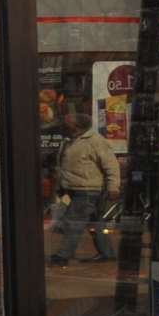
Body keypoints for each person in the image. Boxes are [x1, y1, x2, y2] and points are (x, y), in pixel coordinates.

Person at [50, 108, 120, 266]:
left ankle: (63, 255)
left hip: (87, 189)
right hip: (74, 188)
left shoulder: (95, 141)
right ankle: (107, 253)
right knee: (96, 223)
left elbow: (111, 166)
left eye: (67, 123)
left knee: (74, 222)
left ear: (76, 126)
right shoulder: (69, 140)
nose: (62, 126)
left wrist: (113, 187)